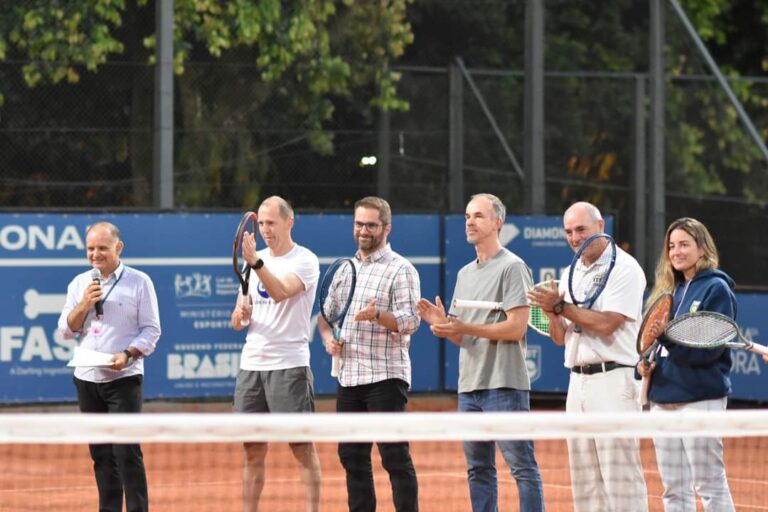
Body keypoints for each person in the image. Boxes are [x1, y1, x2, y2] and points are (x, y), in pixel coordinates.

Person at [416, 193, 546, 512]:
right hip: (469, 389)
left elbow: (516, 329)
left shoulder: (513, 267)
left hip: (505, 386)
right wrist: (445, 327)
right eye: (467, 217)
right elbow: (464, 338)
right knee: (478, 470)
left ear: (497, 223)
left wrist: (463, 328)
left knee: (522, 469)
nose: (470, 222)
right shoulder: (464, 274)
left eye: (478, 216)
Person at [527, 201, 648, 512]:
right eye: (568, 231)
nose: (574, 237)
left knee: (620, 477)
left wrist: (561, 308)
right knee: (585, 481)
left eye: (581, 229)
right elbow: (559, 336)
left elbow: (608, 324)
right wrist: (553, 314)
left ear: (600, 227)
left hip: (614, 381)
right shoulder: (571, 272)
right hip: (577, 384)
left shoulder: (625, 268)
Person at [320, 196, 420, 512]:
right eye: (359, 224)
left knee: (393, 455)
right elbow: (327, 316)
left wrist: (379, 316)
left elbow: (411, 321)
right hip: (349, 376)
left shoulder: (401, 269)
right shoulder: (344, 269)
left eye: (371, 225)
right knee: (351, 455)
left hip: (385, 376)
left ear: (386, 228)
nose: (364, 230)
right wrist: (328, 339)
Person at [58, 221, 161, 512]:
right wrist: (84, 305)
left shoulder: (140, 281)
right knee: (101, 454)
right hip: (87, 378)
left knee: (127, 452)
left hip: (124, 378)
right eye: (90, 248)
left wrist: (127, 355)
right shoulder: (80, 284)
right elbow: (66, 330)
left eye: (102, 248)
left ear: (118, 248)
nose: (95, 254)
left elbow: (152, 331)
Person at [637, 217, 736, 511]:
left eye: (684, 244)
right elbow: (653, 345)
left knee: (709, 484)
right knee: (673, 489)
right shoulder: (671, 291)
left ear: (702, 248)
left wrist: (666, 339)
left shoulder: (716, 289)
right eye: (671, 246)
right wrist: (644, 364)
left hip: (700, 397)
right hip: (663, 397)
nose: (676, 252)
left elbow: (707, 351)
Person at [230, 196, 322, 512]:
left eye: (272, 223)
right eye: (262, 224)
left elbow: (281, 293)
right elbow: (237, 321)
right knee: (252, 450)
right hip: (251, 365)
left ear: (289, 223)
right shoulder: (251, 263)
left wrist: (256, 261)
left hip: (289, 366)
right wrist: (241, 314)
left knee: (301, 448)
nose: (266, 230)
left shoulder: (305, 260)